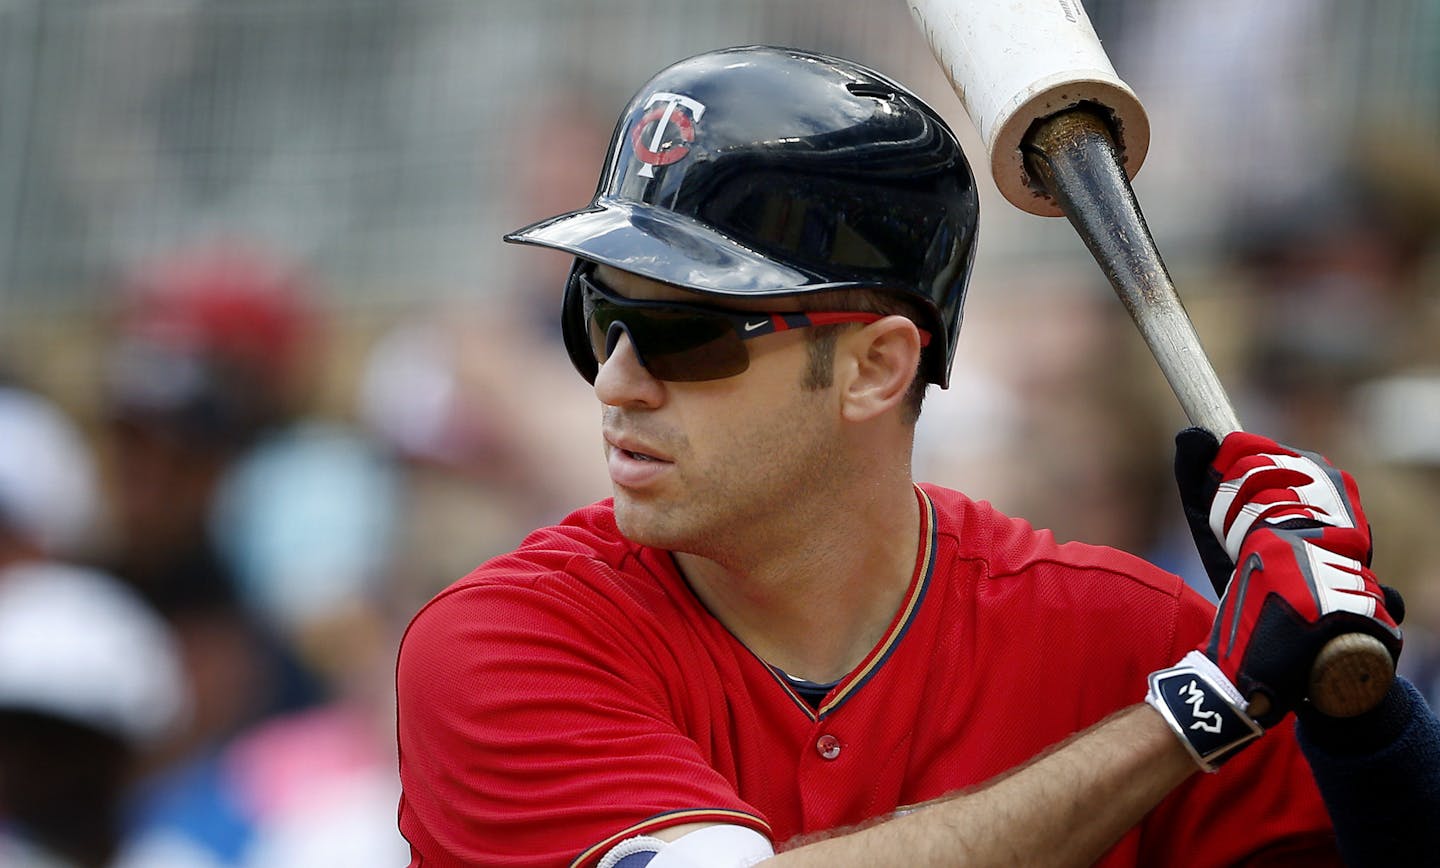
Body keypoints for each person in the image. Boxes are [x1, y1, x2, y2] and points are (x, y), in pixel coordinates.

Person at [395, 46, 1440, 867]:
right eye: (600, 314)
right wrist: (1189, 718)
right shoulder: (498, 644)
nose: (617, 379)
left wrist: (1361, 713)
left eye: (684, 333)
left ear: (876, 368)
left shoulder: (1129, 641)